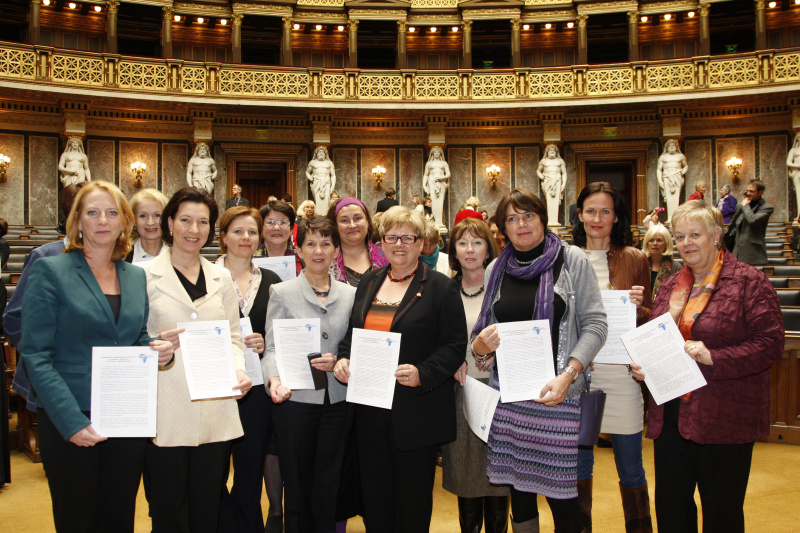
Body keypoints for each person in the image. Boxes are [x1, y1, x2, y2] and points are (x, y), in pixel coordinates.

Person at [20, 181, 175, 532]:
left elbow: (134, 337)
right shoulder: (51, 270)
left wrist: (157, 351)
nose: (102, 220)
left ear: (124, 222)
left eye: (111, 213)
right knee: (78, 518)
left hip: (125, 416)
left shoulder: (134, 276)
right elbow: (36, 353)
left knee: (119, 515)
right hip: (72, 415)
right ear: (77, 222)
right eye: (92, 212)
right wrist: (70, 420)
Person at [631, 200, 784, 533]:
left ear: (716, 235)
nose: (686, 243)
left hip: (724, 417)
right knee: (671, 509)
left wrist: (714, 356)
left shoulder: (749, 281)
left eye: (695, 234)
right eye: (681, 235)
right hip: (670, 416)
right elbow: (656, 338)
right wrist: (642, 367)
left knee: (721, 513)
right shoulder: (671, 285)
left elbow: (770, 345)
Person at [471, 188, 607, 532]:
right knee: (520, 493)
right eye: (511, 219)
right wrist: (480, 348)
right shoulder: (495, 271)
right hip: (511, 396)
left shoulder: (571, 259)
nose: (521, 225)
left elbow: (595, 324)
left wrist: (570, 374)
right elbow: (482, 338)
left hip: (557, 396)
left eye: (528, 215)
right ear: (502, 228)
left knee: (562, 496)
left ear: (543, 218)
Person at [333, 206, 466, 532]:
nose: (400, 244)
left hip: (415, 411)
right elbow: (354, 333)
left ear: (422, 243)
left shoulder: (440, 287)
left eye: (409, 237)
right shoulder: (369, 281)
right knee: (375, 497)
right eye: (392, 237)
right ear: (381, 242)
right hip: (369, 410)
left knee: (412, 500)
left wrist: (423, 372)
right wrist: (344, 358)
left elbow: (453, 346)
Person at [142, 187, 252, 533]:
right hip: (166, 410)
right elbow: (134, 340)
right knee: (167, 507)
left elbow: (234, 336)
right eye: (186, 220)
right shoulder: (143, 277)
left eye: (202, 222)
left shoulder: (221, 277)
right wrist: (152, 348)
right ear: (170, 223)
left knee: (207, 505)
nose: (194, 230)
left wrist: (239, 369)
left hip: (215, 407)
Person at [263, 216, 356, 533]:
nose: (319, 251)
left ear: (335, 249)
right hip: (296, 400)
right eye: (311, 243)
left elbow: (352, 344)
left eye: (326, 244)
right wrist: (273, 378)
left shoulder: (350, 294)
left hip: (339, 401)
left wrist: (344, 360)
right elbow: (272, 348)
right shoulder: (282, 292)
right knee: (298, 481)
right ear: (298, 249)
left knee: (330, 480)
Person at [573, 181, 653, 533]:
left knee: (631, 467)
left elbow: (650, 318)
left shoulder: (635, 258)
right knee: (579, 468)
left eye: (605, 211)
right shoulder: (565, 257)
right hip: (578, 377)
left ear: (616, 216)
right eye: (590, 210)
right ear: (579, 214)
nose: (597, 218)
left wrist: (640, 306)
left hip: (622, 376)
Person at [215, 206, 283, 533]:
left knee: (249, 472)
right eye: (238, 231)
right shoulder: (206, 276)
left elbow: (283, 335)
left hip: (256, 393)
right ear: (223, 236)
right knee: (211, 473)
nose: (246, 238)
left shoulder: (272, 281)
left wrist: (266, 341)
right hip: (216, 388)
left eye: (252, 232)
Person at [440, 218, 508, 533]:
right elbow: (434, 340)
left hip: (500, 395)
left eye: (477, 242)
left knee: (498, 478)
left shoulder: (503, 289)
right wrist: (449, 360)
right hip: (460, 395)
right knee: (466, 476)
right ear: (453, 249)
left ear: (488, 248)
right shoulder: (443, 290)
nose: (470, 250)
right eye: (463, 243)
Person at [6, 184, 84, 411]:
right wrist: (43, 357)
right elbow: (15, 316)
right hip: (52, 373)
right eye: (79, 213)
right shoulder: (45, 256)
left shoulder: (113, 260)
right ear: (66, 217)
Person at [327, 197, 387, 286]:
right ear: (335, 226)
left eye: (357, 218)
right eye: (344, 220)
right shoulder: (325, 262)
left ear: (367, 222)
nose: (352, 225)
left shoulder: (386, 257)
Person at [728, 179, 774, 265]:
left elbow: (752, 220)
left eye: (752, 191)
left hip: (753, 254)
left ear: (760, 192)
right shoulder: (740, 205)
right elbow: (734, 223)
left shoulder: (767, 207)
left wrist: (745, 206)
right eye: (747, 190)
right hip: (737, 252)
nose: (748, 193)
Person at [254, 200, 303, 276]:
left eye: (283, 222)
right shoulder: (249, 258)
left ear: (291, 229)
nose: (276, 227)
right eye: (270, 222)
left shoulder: (302, 257)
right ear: (261, 228)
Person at [126, 188, 169, 264]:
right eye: (143, 216)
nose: (150, 222)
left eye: (157, 215)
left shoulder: (179, 255)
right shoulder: (121, 257)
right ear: (134, 220)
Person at [642, 223, 681, 300]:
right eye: (651, 240)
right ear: (647, 243)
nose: (655, 244)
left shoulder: (675, 267)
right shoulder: (640, 264)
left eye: (659, 240)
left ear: (666, 243)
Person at [656, 140, 688, 224]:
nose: (671, 147)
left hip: (677, 176)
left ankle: (675, 218)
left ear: (676, 147)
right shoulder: (663, 157)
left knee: (676, 197)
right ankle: (670, 218)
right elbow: (659, 170)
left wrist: (683, 171)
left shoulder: (681, 156)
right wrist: (660, 181)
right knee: (669, 198)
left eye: (673, 146)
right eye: (670, 146)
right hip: (667, 177)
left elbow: (685, 166)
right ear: (666, 148)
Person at [538, 144, 568, 225]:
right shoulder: (543, 161)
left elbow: (564, 173)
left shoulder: (560, 161)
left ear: (556, 152)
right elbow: (538, 171)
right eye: (550, 151)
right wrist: (542, 177)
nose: (552, 152)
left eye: (553, 151)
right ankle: (550, 221)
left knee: (555, 200)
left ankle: (554, 221)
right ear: (547, 152)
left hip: (557, 180)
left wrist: (563, 184)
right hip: (547, 181)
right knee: (549, 199)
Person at [423, 147, 451, 225]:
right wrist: (424, 185)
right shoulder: (429, 163)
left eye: (438, 153)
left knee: (440, 201)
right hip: (431, 181)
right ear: (432, 154)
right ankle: (434, 221)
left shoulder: (444, 163)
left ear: (440, 154)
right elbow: (425, 174)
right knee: (433, 201)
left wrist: (442, 177)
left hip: (441, 182)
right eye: (435, 153)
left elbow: (448, 174)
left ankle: (439, 222)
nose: (436, 154)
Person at [307, 146, 336, 216]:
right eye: (319, 152)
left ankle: (325, 215)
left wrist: (332, 187)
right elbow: (307, 172)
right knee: (317, 200)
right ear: (316, 153)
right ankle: (318, 216)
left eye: (322, 152)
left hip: (326, 182)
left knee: (326, 201)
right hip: (316, 182)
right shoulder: (312, 162)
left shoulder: (329, 163)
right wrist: (310, 178)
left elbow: (333, 175)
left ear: (325, 154)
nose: (321, 153)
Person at [787, 132, 800, 220]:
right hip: (797, 172)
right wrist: (797, 166)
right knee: (799, 193)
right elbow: (788, 162)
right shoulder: (793, 150)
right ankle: (799, 214)